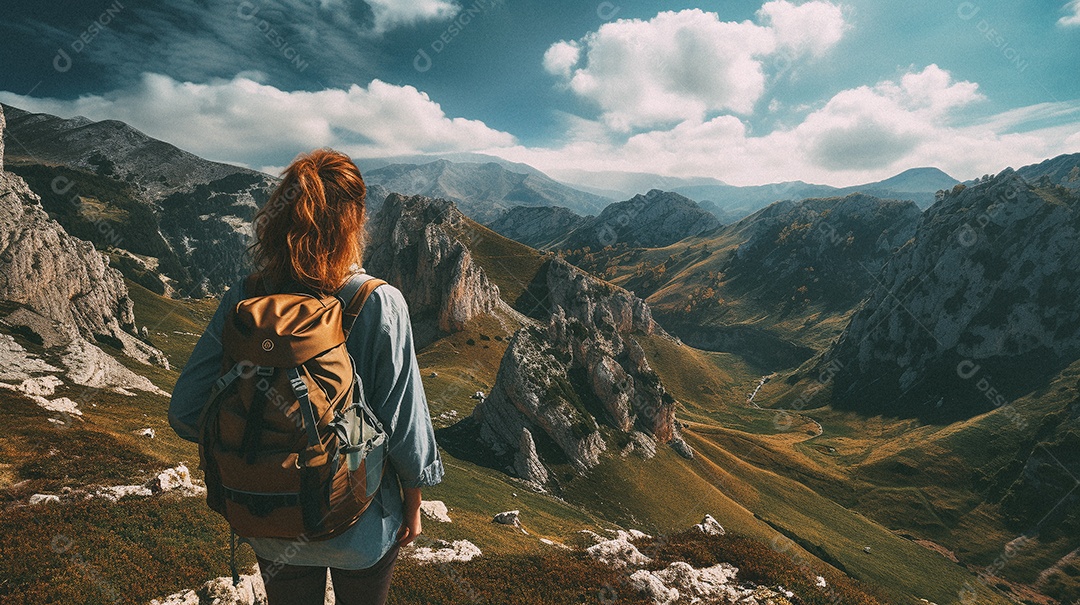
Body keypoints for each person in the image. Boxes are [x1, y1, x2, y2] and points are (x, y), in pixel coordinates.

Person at [169, 148, 444, 605]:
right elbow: (403, 421)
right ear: (354, 220)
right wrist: (412, 502)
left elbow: (185, 411)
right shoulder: (378, 301)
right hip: (361, 518)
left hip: (270, 518)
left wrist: (251, 451)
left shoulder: (246, 297)